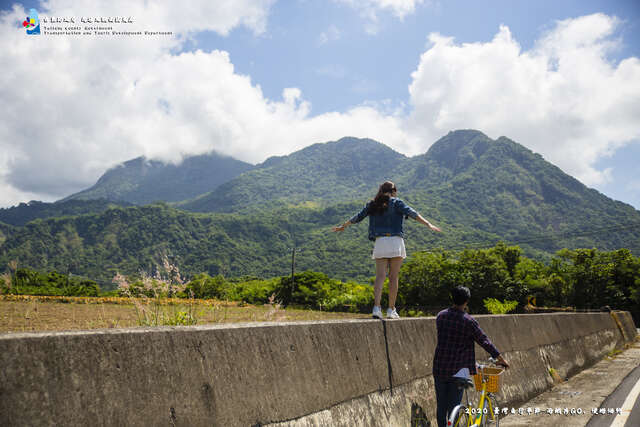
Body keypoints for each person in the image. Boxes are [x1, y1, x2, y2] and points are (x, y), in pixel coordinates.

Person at [332, 181, 441, 319]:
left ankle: (376, 308)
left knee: (380, 277)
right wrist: (428, 224)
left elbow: (358, 217)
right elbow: (413, 213)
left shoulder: (373, 204)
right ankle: (391, 309)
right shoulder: (397, 202)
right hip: (396, 241)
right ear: (393, 191)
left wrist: (343, 226)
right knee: (393, 277)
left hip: (380, 242)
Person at [433, 286, 510, 427]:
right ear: (466, 301)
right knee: (453, 407)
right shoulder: (468, 321)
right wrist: (500, 359)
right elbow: (484, 341)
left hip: (440, 367)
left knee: (441, 406)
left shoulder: (441, 316)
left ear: (452, 298)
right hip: (458, 370)